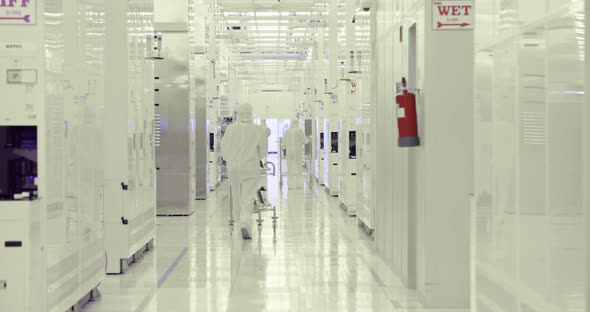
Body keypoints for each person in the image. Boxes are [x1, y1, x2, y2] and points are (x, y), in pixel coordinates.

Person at [221, 104, 267, 239]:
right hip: (250, 167)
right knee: (247, 197)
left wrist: (230, 160)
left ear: (239, 114)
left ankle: (237, 224)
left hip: (233, 167)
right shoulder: (258, 130)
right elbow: (262, 151)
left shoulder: (230, 129)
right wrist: (255, 157)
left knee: (236, 196)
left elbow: (223, 149)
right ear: (251, 113)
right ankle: (245, 221)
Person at [283, 118, 310, 189]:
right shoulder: (299, 130)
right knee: (298, 167)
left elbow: (284, 143)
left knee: (289, 167)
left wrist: (285, 150)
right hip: (297, 151)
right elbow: (305, 141)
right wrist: (309, 139)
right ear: (297, 123)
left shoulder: (287, 131)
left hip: (289, 151)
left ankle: (290, 185)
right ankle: (299, 185)